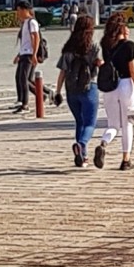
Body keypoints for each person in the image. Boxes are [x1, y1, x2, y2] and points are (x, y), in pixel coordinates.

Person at [94, 11, 134, 170]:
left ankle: (103, 143)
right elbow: (133, 70)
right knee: (127, 124)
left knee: (113, 124)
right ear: (122, 28)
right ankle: (126, 160)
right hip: (125, 84)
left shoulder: (105, 44)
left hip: (110, 86)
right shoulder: (130, 46)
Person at [54, 12, 101, 167]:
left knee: (79, 121)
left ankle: (83, 156)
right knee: (90, 123)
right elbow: (101, 64)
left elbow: (62, 72)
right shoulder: (93, 47)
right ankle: (81, 145)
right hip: (89, 87)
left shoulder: (68, 49)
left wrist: (58, 91)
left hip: (71, 90)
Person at [12, 0, 42, 113]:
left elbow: (36, 38)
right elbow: (25, 41)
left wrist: (34, 54)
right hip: (24, 53)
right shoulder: (24, 23)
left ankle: (25, 104)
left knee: (24, 78)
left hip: (29, 53)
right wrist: (19, 55)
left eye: (19, 10)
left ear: (25, 10)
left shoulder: (32, 22)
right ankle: (21, 101)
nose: (17, 13)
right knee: (19, 77)